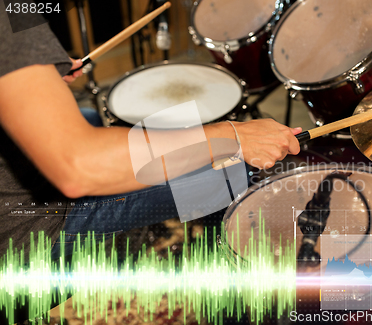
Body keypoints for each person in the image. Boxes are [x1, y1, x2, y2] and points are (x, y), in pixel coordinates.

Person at [0, 6, 301, 259]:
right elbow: (78, 169)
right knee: (232, 170)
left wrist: (34, 80)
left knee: (97, 116)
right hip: (25, 226)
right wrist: (233, 135)